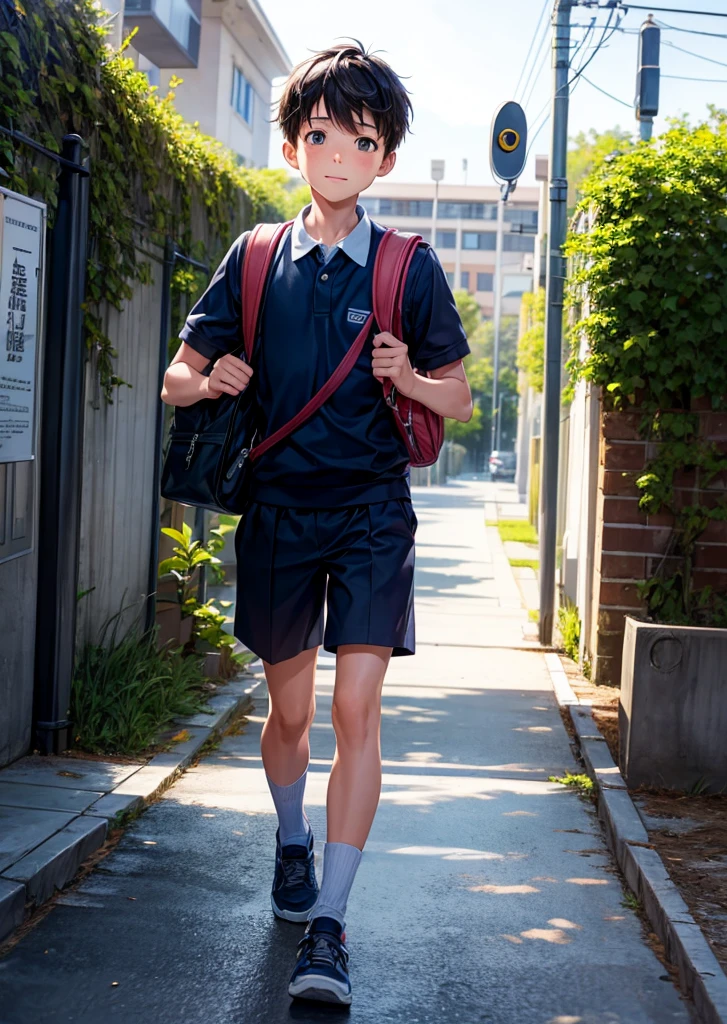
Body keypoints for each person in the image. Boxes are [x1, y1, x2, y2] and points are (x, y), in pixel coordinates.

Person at [160, 39, 473, 1006]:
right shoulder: (255, 259)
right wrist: (210, 378)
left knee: (355, 711)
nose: (340, 151)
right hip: (282, 513)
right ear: (297, 143)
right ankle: (292, 839)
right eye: (322, 131)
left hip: (375, 513)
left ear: (384, 158)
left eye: (363, 138)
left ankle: (328, 926)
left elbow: (456, 397)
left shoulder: (405, 269)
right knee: (289, 715)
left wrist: (407, 376)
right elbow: (177, 380)